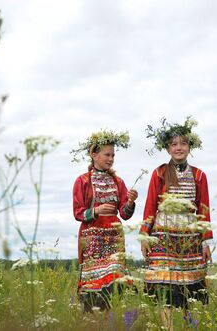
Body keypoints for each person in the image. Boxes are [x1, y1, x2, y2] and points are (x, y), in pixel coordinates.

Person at [140, 117, 213, 323]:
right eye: (174, 144)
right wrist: (145, 235)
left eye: (183, 143)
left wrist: (206, 241)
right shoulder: (160, 172)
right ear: (167, 148)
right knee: (165, 288)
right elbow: (150, 206)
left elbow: (204, 210)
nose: (179, 148)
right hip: (163, 236)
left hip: (189, 238)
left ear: (190, 146)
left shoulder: (199, 175)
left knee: (186, 289)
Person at [71, 130, 138, 312]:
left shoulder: (118, 181)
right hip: (92, 237)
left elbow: (124, 213)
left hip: (114, 237)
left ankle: (111, 319)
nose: (111, 159)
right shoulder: (82, 181)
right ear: (94, 155)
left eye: (113, 155)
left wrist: (130, 202)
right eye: (107, 155)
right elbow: (77, 212)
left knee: (115, 282)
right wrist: (96, 210)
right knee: (93, 284)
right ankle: (92, 321)